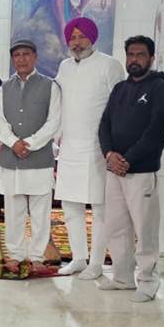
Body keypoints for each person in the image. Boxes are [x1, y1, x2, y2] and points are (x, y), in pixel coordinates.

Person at [53, 17, 132, 282]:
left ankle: (96, 263)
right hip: (69, 147)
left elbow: (119, 107)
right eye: (73, 37)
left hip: (98, 148)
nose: (77, 42)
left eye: (82, 36)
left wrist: (114, 146)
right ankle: (78, 258)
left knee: (100, 208)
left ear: (92, 38)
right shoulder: (64, 67)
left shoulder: (109, 65)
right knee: (70, 206)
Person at [97, 36, 164, 302]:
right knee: (116, 227)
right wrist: (109, 154)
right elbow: (104, 124)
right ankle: (122, 277)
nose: (134, 59)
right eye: (130, 54)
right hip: (115, 171)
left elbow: (155, 131)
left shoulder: (160, 89)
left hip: (140, 171)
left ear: (151, 58)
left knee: (145, 229)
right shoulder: (120, 88)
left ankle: (148, 282)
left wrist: (127, 159)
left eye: (140, 55)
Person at [0, 39, 62, 274]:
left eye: (26, 54)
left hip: (39, 159)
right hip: (11, 159)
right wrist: (13, 142)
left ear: (35, 57)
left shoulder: (50, 87)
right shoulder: (4, 88)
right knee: (14, 211)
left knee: (41, 213)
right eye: (17, 55)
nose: (21, 59)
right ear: (13, 59)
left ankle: (37, 257)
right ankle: (15, 255)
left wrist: (30, 144)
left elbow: (54, 122)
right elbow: (0, 120)